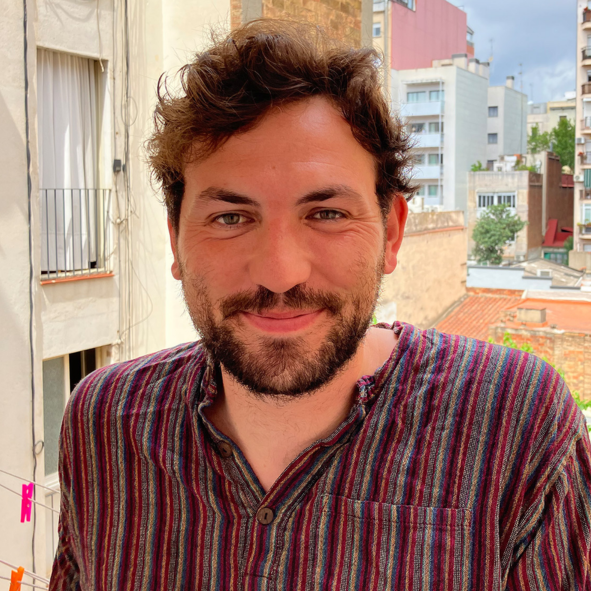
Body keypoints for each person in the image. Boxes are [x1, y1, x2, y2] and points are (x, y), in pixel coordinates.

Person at [50, 20, 591, 590]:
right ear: (175, 240)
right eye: (230, 217)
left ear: (391, 233)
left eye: (327, 214)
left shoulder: (516, 426)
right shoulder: (103, 427)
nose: (280, 272)